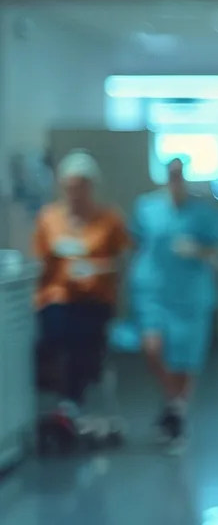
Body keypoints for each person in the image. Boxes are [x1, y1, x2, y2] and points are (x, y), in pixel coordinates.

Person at [128, 157, 218, 450]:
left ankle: (176, 411)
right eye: (171, 174)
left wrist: (197, 250)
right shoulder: (147, 208)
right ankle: (174, 404)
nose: (175, 180)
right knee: (153, 347)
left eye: (180, 174)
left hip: (191, 294)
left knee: (186, 356)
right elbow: (136, 242)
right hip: (154, 291)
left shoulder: (204, 214)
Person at [32, 150, 132, 431]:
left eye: (81, 187)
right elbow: (40, 260)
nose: (75, 194)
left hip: (94, 298)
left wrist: (96, 269)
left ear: (92, 187)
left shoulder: (109, 219)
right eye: (70, 187)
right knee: (56, 335)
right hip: (56, 298)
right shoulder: (49, 218)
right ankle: (63, 400)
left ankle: (72, 401)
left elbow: (121, 262)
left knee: (84, 338)